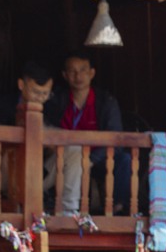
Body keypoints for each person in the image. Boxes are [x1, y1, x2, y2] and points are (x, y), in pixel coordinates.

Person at [52, 53, 131, 215]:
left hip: (98, 159)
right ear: (65, 76)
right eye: (72, 71)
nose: (78, 76)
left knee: (125, 159)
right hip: (65, 159)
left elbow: (116, 139)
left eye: (83, 70)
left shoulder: (106, 101)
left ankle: (118, 209)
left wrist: (91, 160)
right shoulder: (57, 100)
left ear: (92, 73)